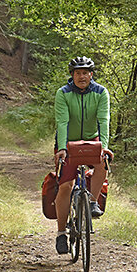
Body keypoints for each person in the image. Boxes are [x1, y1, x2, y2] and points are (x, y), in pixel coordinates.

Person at [53, 56, 112, 255]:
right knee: (65, 187)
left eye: (85, 73)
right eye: (77, 73)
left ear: (91, 74)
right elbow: (62, 121)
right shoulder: (63, 93)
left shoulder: (101, 92)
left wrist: (104, 146)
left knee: (102, 164)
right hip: (67, 143)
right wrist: (62, 148)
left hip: (91, 139)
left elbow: (104, 121)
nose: (81, 77)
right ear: (72, 75)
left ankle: (92, 202)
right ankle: (61, 233)